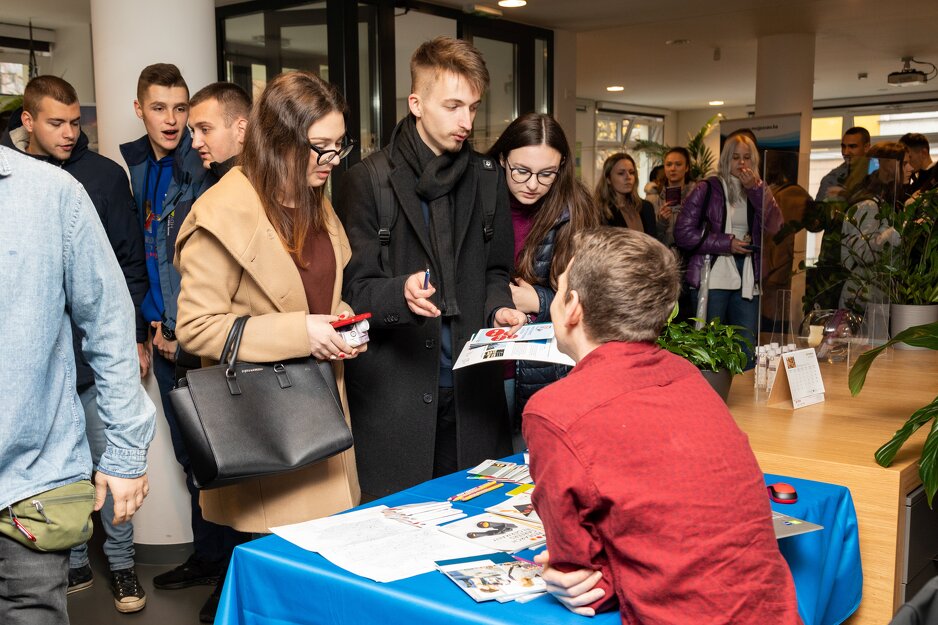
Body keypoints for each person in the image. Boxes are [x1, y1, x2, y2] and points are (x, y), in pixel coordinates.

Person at [523, 227, 801, 625]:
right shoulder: (686, 374)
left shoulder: (554, 410)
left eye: (560, 287)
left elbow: (584, 578)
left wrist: (577, 573)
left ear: (573, 308)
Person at [174, 67, 362, 576]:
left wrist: (339, 322)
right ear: (279, 140)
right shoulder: (221, 213)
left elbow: (318, 291)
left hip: (323, 410)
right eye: (320, 146)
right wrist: (301, 331)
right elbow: (195, 327)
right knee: (286, 581)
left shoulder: (313, 199)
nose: (332, 160)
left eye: (339, 145)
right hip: (270, 420)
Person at [336, 36, 526, 497]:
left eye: (474, 108)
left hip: (472, 394)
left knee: (474, 523)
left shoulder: (486, 177)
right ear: (416, 103)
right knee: (394, 535)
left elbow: (496, 270)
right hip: (393, 398)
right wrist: (398, 293)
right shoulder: (367, 180)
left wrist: (499, 307)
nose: (466, 122)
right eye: (453, 106)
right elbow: (352, 290)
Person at [1, 75, 150, 612]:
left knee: (101, 479)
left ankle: (122, 567)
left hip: (49, 426)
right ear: (28, 121)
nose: (68, 132)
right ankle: (80, 563)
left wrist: (135, 338)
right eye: (55, 122)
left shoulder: (82, 185)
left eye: (74, 122)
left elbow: (117, 287)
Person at [120, 64, 241, 614]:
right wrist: (151, 322)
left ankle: (233, 575)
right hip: (168, 340)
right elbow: (148, 250)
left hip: (201, 343)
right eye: (161, 108)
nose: (173, 122)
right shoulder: (143, 166)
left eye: (182, 109)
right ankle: (210, 554)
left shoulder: (208, 168)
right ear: (139, 109)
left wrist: (180, 332)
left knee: (227, 463)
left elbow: (205, 265)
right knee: (194, 461)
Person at [485, 112, 599, 426]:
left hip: (543, 368)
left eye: (546, 173)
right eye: (521, 171)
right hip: (482, 364)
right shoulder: (477, 200)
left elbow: (592, 294)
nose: (533, 185)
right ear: (502, 157)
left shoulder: (575, 209)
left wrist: (538, 301)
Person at [674, 134, 783, 369]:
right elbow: (683, 232)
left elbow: (775, 226)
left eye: (747, 157)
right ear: (725, 160)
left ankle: (746, 400)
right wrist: (726, 243)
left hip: (747, 273)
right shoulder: (708, 188)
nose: (741, 164)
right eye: (735, 158)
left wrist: (755, 190)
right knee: (709, 345)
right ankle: (710, 396)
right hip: (712, 273)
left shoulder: (757, 188)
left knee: (745, 345)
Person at [188, 81, 250, 187]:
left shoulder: (264, 187)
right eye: (193, 131)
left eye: (205, 129)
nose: (195, 143)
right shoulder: (200, 182)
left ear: (241, 130)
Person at [594, 152, 656, 235]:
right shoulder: (599, 211)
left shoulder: (646, 207)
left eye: (631, 172)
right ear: (608, 179)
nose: (628, 177)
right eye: (621, 173)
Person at [651, 146, 693, 248]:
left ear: (687, 167)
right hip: (664, 256)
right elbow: (650, 238)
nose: (673, 169)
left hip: (690, 257)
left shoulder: (696, 196)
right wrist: (661, 222)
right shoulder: (654, 199)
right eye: (668, 164)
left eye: (678, 164)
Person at [815, 126, 870, 201]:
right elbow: (819, 210)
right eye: (843, 147)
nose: (845, 152)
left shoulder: (879, 174)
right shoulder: (831, 179)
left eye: (852, 146)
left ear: (866, 147)